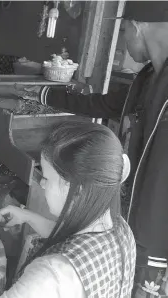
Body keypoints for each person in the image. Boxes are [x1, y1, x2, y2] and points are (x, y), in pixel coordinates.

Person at [22, 1, 168, 296]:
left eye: (125, 28)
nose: (125, 41)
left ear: (138, 26)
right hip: (127, 228)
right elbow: (103, 104)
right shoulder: (148, 78)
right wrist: (43, 93)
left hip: (156, 241)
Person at [0, 121, 136, 298]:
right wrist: (28, 217)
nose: (42, 183)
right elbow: (75, 242)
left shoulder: (52, 275)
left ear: (77, 190)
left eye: (46, 177)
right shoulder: (121, 230)